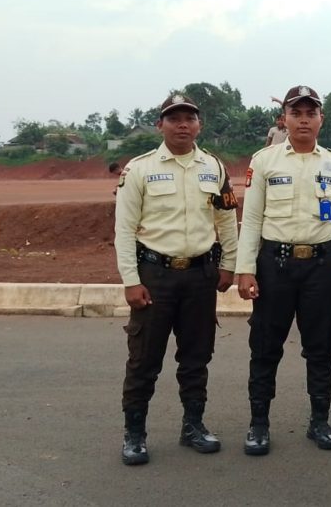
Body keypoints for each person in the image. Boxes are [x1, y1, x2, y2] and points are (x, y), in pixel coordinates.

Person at [235, 85, 331, 455]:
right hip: (274, 266)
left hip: (320, 267)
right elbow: (252, 219)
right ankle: (258, 425)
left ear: (321, 119)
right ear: (285, 119)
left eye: (311, 113)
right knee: (265, 347)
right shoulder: (264, 161)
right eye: (297, 113)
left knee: (321, 347)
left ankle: (320, 421)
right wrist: (245, 270)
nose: (304, 120)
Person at [113, 93, 240, 466]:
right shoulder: (139, 169)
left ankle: (193, 426)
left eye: (189, 118)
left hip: (200, 275)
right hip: (155, 276)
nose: (182, 125)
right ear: (160, 125)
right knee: (144, 359)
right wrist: (130, 280)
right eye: (174, 119)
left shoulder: (213, 167)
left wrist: (229, 264)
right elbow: (124, 230)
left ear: (199, 125)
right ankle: (135, 434)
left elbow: (226, 220)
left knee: (197, 356)